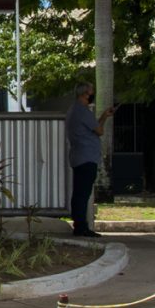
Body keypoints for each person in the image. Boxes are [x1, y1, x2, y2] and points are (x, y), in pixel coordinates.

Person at [66, 80, 104, 237]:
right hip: (86, 158)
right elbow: (99, 130)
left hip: (79, 156)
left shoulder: (74, 110)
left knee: (79, 193)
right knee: (82, 194)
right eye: (91, 92)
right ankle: (81, 226)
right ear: (85, 94)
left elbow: (94, 129)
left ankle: (79, 223)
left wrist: (102, 117)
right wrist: (104, 117)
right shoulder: (82, 111)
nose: (92, 95)